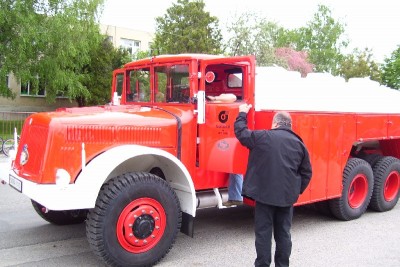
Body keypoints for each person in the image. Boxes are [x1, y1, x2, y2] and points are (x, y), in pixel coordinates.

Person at [234, 104, 312, 267]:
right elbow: (306, 173)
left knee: (263, 234)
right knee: (284, 234)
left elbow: (241, 133)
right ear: (289, 125)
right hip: (286, 199)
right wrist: (295, 191)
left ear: (275, 124)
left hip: (264, 197)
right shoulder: (299, 144)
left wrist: (242, 113)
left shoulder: (262, 137)